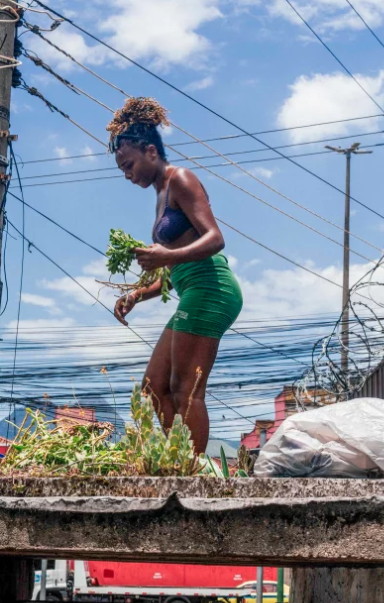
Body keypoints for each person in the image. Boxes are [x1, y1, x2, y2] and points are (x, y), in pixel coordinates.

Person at [110, 97, 243, 454]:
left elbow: (215, 239)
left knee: (185, 388)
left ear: (150, 151)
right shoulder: (160, 194)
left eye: (129, 164)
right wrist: (138, 294)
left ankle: (196, 474)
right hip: (193, 288)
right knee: (153, 388)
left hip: (212, 289)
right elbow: (175, 269)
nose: (126, 174)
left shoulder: (181, 179)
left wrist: (166, 254)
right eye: (122, 169)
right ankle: (178, 459)